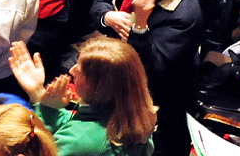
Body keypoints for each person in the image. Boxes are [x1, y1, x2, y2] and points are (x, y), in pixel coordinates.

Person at [89, 0, 202, 156]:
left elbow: (153, 70)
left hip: (160, 109)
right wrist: (108, 17)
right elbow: (100, 0)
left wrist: (139, 25)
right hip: (119, 88)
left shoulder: (185, 12)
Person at [9, 37, 158, 156]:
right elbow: (78, 123)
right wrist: (38, 94)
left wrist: (45, 106)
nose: (72, 71)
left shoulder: (81, 143)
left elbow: (43, 149)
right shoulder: (135, 116)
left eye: (80, 69)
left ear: (99, 86)